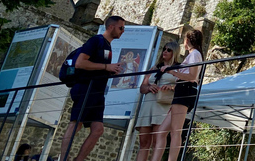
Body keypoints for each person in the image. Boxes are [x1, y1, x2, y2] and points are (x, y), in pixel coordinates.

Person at [60, 16, 125, 161]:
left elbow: (96, 67)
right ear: (111, 27)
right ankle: (63, 158)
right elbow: (80, 63)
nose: (123, 31)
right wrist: (106, 67)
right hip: (85, 88)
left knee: (98, 130)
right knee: (76, 124)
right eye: (121, 28)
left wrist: (109, 71)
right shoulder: (96, 40)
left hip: (97, 92)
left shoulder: (107, 46)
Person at [153, 30, 203, 161]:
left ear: (188, 41)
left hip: (185, 91)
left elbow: (192, 77)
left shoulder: (195, 54)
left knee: (176, 131)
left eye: (184, 40)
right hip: (182, 90)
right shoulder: (193, 55)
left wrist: (173, 72)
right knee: (162, 131)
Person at [135, 42, 181, 161]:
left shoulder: (178, 68)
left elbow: (183, 87)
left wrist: (171, 88)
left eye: (169, 50)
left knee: (157, 141)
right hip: (148, 104)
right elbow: (142, 88)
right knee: (143, 142)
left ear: (174, 52)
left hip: (163, 106)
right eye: (164, 49)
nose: (165, 51)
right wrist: (149, 87)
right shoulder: (155, 68)